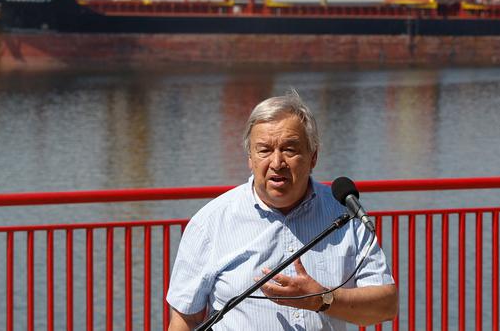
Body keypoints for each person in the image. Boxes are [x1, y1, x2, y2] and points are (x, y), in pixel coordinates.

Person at [166, 91, 398, 330]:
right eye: (264, 150)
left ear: (313, 156)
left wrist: (323, 299)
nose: (277, 163)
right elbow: (186, 319)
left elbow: (386, 306)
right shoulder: (209, 223)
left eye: (289, 149)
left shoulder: (345, 213)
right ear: (250, 158)